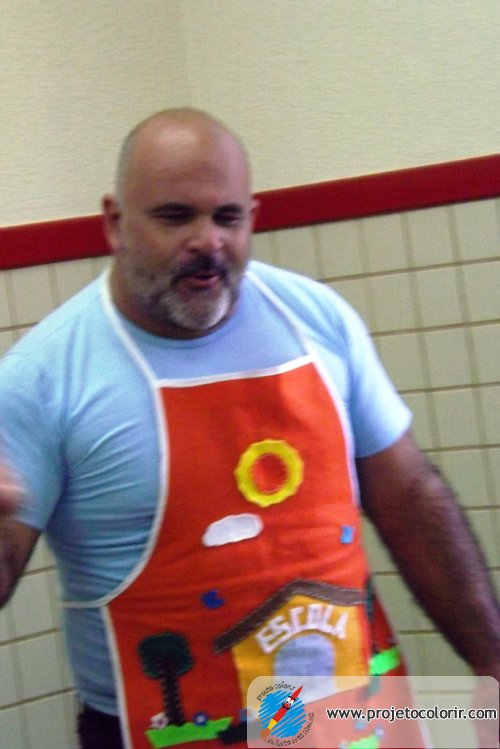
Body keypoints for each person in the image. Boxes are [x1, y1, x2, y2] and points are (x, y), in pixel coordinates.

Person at [0, 108, 498, 749]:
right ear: (115, 223)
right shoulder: (42, 378)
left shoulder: (318, 321)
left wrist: (491, 660)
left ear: (253, 218)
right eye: (176, 216)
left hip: (357, 723)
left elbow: (410, 499)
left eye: (228, 217)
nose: (207, 241)